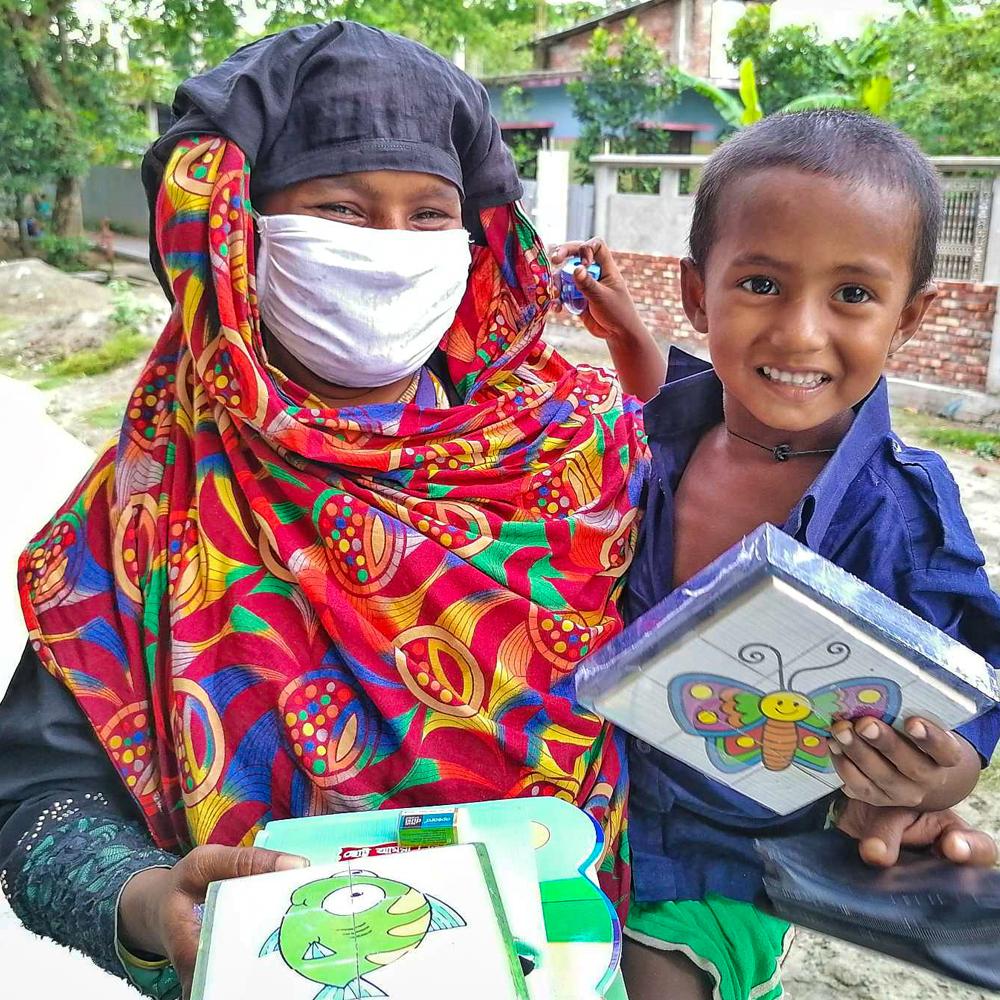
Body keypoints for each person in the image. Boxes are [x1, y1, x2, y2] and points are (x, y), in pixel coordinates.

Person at [0, 22, 654, 1000]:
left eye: (429, 214)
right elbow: (40, 801)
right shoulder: (151, 503)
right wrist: (142, 901)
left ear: (475, 242)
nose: (388, 251)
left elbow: (703, 699)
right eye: (341, 208)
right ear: (240, 234)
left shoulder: (580, 454)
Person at [558, 110, 1000, 1000]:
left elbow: (975, 670)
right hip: (593, 804)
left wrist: (948, 765)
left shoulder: (899, 508)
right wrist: (631, 339)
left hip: (738, 849)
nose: (799, 334)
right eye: (759, 283)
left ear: (909, 318)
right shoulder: (669, 435)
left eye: (852, 295)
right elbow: (687, 390)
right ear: (697, 295)